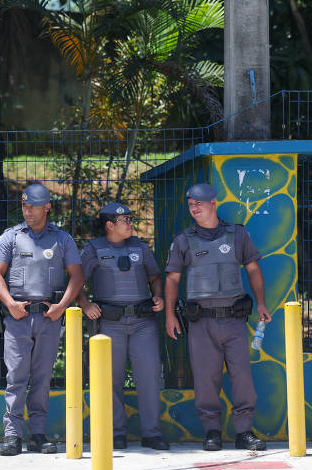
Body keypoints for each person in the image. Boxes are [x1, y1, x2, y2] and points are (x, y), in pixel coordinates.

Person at [164, 183, 271, 452]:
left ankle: (244, 432)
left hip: (234, 320)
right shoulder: (183, 240)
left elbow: (254, 268)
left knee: (242, 378)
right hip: (201, 323)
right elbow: (172, 279)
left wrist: (261, 303)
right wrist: (169, 314)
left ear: (213, 203)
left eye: (199, 202)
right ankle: (212, 431)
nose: (194, 207)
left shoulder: (237, 234)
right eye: (190, 204)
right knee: (205, 379)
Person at [0, 183, 84, 456]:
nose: (27, 211)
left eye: (32, 206)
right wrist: (10, 304)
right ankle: (12, 435)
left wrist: (61, 307)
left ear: (47, 207)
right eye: (24, 206)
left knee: (42, 378)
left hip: (49, 317)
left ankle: (38, 434)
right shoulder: (11, 237)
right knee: (16, 376)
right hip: (17, 318)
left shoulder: (62, 239)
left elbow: (77, 277)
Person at [76, 203, 169, 451]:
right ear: (109, 225)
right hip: (109, 323)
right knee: (111, 379)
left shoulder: (140, 247)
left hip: (143, 322)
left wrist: (158, 296)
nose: (130, 223)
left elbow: (155, 277)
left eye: (130, 219)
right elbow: (77, 281)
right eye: (125, 220)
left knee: (149, 377)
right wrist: (85, 305)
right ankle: (116, 433)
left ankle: (152, 433)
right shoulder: (93, 249)